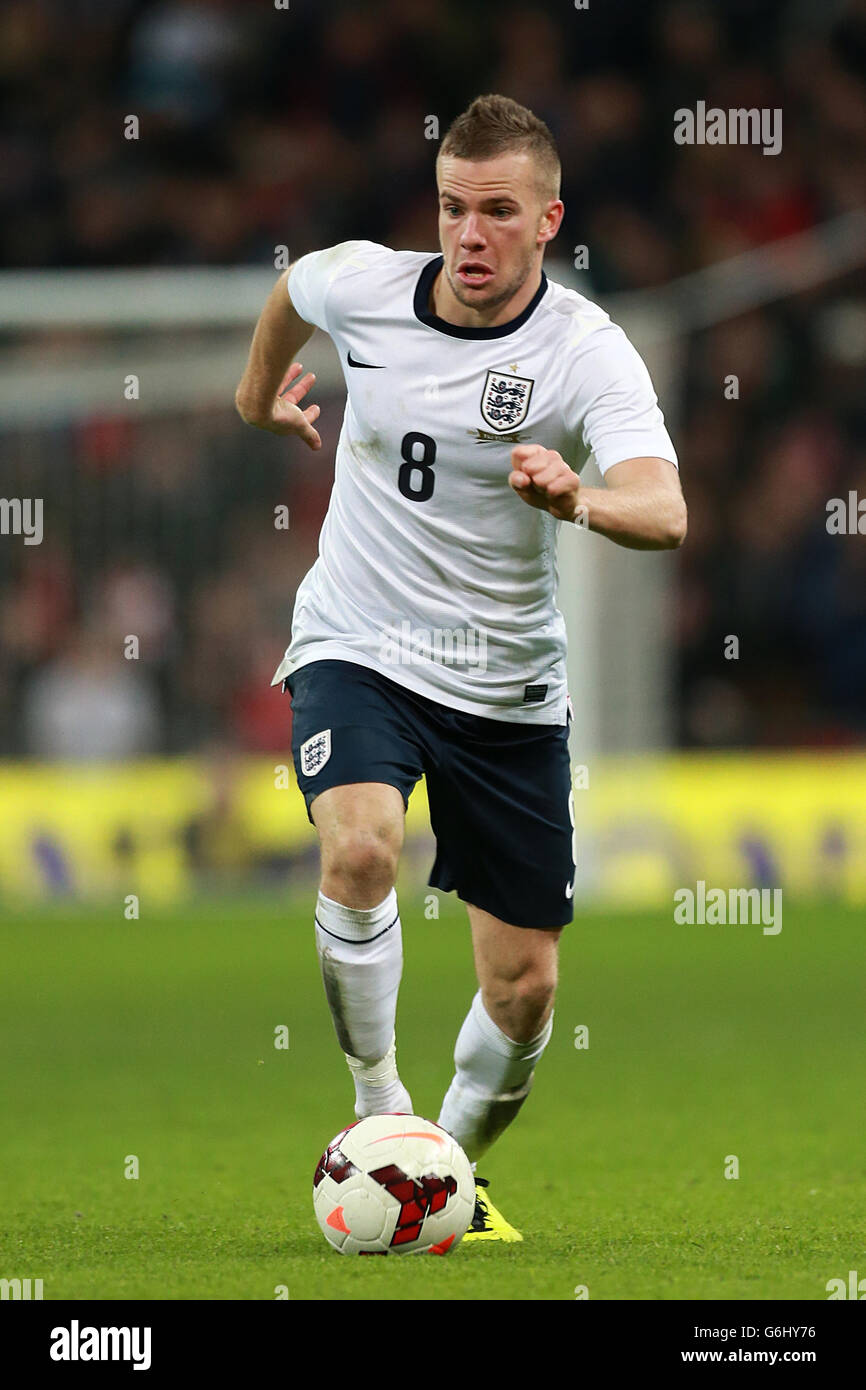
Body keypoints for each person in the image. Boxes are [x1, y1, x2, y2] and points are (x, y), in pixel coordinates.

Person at [236, 94, 686, 1242]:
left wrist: (577, 495)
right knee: (359, 849)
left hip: (502, 685)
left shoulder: (584, 349)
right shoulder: (368, 287)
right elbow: (291, 291)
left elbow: (665, 508)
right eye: (450, 207)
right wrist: (254, 399)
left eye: (496, 211)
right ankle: (378, 1111)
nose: (468, 234)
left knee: (523, 988)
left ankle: (442, 1163)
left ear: (547, 220)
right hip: (359, 644)